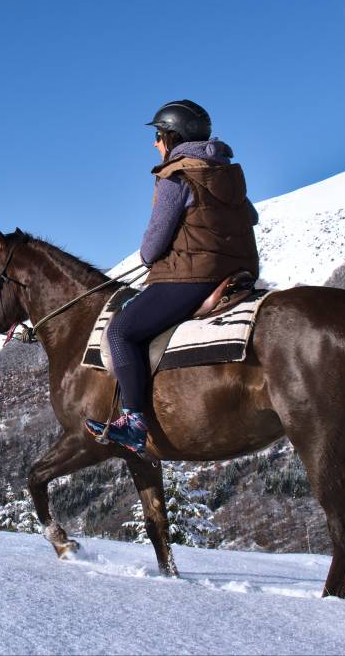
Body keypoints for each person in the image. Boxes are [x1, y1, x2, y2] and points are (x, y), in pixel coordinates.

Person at [85, 100, 260, 456]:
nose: (155, 143)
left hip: (192, 277)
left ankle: (133, 422)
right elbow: (251, 217)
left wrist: (160, 254)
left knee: (120, 331)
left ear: (172, 137)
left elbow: (151, 247)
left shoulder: (176, 176)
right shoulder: (224, 173)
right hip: (236, 273)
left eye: (158, 135)